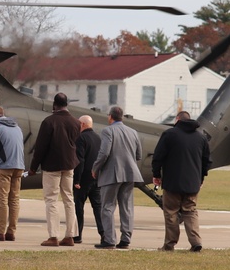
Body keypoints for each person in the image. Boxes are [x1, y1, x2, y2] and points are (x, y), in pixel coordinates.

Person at [152, 110, 211, 252]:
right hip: (192, 183)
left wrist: (156, 175)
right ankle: (196, 242)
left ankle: (169, 244)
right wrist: (201, 178)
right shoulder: (201, 137)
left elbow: (158, 156)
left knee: (171, 212)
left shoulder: (169, 134)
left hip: (172, 182)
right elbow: (206, 161)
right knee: (190, 211)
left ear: (177, 119)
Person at [30, 92, 82, 247]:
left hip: (52, 166)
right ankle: (70, 235)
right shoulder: (75, 122)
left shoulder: (48, 122)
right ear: (67, 104)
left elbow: (40, 147)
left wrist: (33, 167)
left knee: (51, 199)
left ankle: (53, 236)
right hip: (69, 165)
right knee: (69, 199)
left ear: (54, 105)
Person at [91, 106, 144, 249]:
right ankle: (126, 239)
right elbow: (138, 155)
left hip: (112, 174)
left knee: (107, 207)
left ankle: (109, 240)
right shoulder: (133, 132)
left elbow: (104, 153)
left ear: (110, 117)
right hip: (130, 173)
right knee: (126, 207)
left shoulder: (108, 131)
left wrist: (95, 168)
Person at [0, 105, 26, 242]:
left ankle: (0, 231)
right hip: (19, 166)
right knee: (14, 200)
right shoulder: (17, 128)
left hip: (4, 167)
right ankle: (11, 232)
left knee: (1, 199)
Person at [73, 115, 104, 244]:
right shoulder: (98, 138)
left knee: (79, 207)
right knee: (98, 208)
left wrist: (77, 180)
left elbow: (80, 160)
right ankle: (104, 234)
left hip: (84, 179)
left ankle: (78, 235)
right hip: (96, 178)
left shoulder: (80, 138)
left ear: (82, 124)